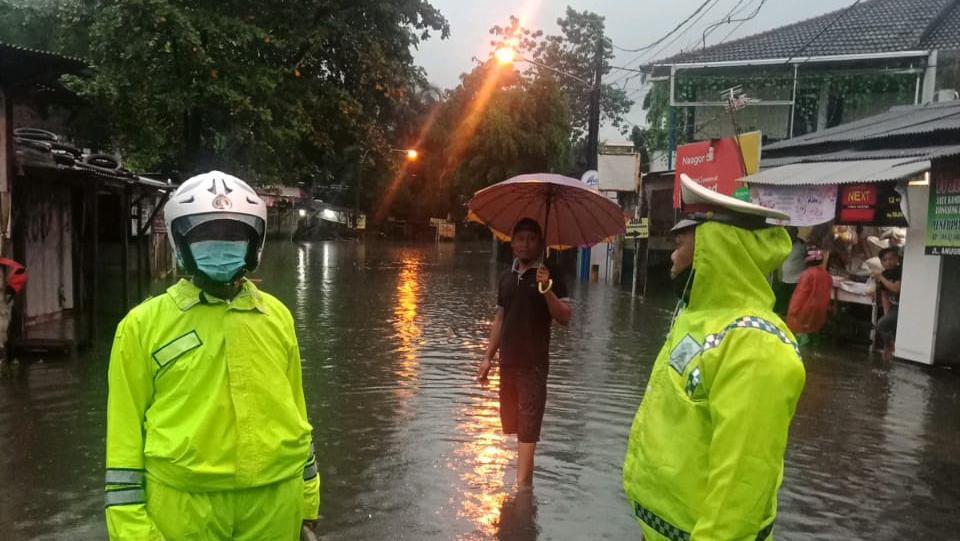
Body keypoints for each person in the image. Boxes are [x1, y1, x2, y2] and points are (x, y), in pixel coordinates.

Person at [104, 171, 320, 540]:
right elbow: (123, 445)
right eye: (204, 236)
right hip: (184, 510)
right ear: (181, 243)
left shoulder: (277, 316)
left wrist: (309, 499)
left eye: (235, 235)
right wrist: (132, 531)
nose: (220, 245)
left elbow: (296, 414)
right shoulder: (141, 326)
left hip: (276, 504)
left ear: (255, 243)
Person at [623, 174, 806, 540]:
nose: (672, 256)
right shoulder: (699, 320)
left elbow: (739, 488)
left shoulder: (755, 347)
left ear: (716, 246)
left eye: (682, 243)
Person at [478, 217, 572, 489]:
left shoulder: (550, 274)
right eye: (520, 239)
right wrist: (487, 358)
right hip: (508, 363)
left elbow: (565, 317)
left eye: (531, 239)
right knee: (514, 426)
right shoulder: (507, 277)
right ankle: (523, 486)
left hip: (533, 366)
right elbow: (500, 318)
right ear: (513, 244)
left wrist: (547, 290)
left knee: (528, 431)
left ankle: (522, 492)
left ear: (540, 243)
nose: (525, 244)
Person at [787, 246, 833, 345]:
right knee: (813, 338)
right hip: (819, 313)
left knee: (799, 345)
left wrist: (791, 311)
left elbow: (799, 296)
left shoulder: (807, 274)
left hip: (804, 314)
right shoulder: (826, 275)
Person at [874, 247, 902, 362]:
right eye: (885, 260)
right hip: (894, 307)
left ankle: (889, 346)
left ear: (896, 259)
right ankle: (891, 349)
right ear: (881, 262)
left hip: (903, 307)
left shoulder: (900, 271)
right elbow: (884, 296)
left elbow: (896, 288)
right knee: (887, 325)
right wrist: (887, 314)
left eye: (891, 259)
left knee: (881, 325)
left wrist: (881, 277)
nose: (888, 262)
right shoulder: (884, 274)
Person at [774, 227, 805, 316]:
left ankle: (789, 316)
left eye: (792, 232)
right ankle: (779, 314)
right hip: (782, 277)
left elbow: (808, 259)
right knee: (780, 298)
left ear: (796, 233)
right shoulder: (782, 243)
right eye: (788, 232)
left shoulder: (802, 245)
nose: (790, 235)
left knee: (792, 300)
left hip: (796, 279)